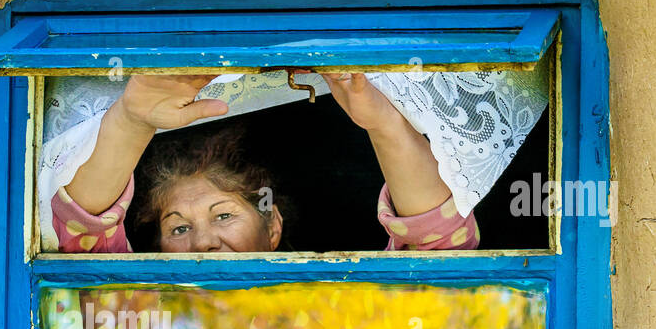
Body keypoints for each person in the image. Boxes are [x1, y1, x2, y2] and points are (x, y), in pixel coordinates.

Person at [51, 72, 479, 253]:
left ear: (271, 225)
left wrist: (385, 124)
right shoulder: (134, 319)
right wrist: (129, 120)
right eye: (178, 227)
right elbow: (81, 234)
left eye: (223, 215)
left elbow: (437, 250)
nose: (203, 244)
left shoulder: (327, 316)